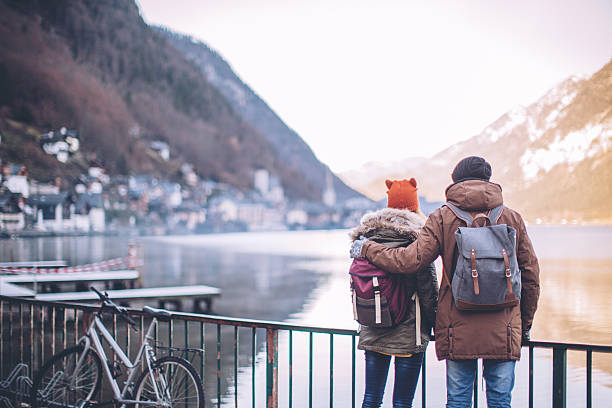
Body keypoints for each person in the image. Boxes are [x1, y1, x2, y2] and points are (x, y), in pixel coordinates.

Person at [351, 156, 540, 408]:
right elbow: (530, 276)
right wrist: (523, 325)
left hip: (457, 326)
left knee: (458, 401)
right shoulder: (512, 218)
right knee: (499, 400)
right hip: (504, 327)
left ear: (456, 181)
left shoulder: (443, 217)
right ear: (488, 180)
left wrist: (367, 249)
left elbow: (410, 260)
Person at [350, 178, 438, 408]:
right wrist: (436, 324)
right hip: (408, 334)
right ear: (415, 205)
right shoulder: (417, 241)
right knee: (402, 403)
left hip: (373, 327)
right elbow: (428, 290)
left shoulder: (366, 238)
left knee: (371, 399)